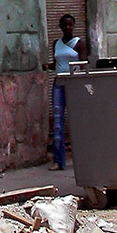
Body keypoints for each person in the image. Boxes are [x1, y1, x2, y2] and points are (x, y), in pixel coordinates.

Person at [50, 13, 85, 170]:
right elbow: (56, 63)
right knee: (57, 123)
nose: (67, 28)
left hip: (74, 84)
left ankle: (82, 158)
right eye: (65, 25)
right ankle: (59, 161)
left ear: (74, 26)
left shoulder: (79, 44)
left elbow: (83, 64)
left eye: (70, 25)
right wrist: (48, 67)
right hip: (59, 83)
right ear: (61, 27)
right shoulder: (56, 43)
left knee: (77, 120)